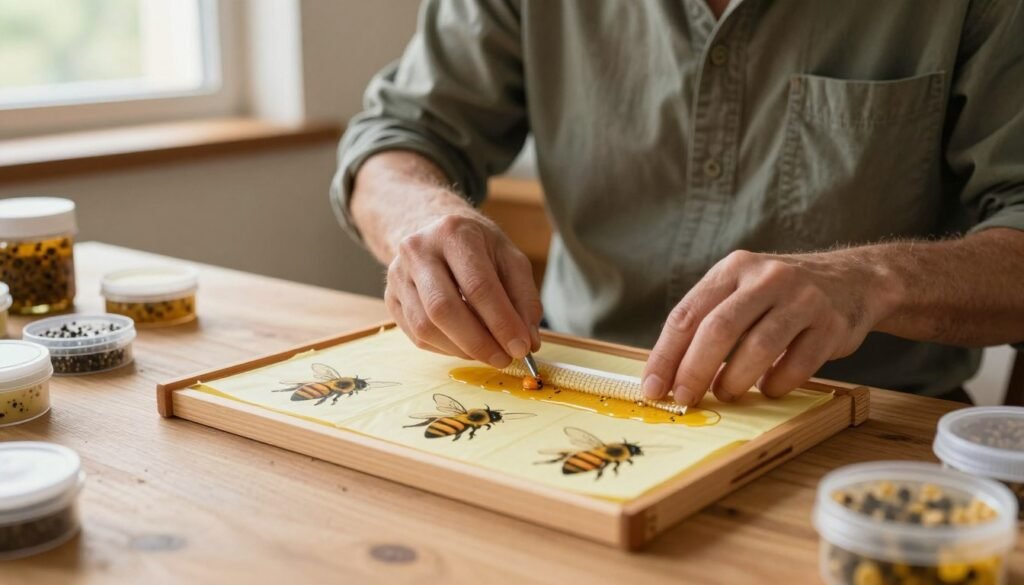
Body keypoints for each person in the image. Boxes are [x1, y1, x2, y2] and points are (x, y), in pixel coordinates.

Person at [331, 0, 1024, 406]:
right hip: (570, 387)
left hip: (863, 424)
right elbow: (398, 138)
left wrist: (870, 281)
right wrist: (419, 215)